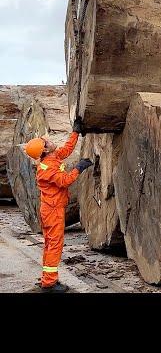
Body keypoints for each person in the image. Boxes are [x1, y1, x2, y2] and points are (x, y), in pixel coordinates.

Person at [23, 118, 93, 293]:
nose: (50, 141)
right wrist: (79, 167)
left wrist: (75, 132)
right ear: (44, 149)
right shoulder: (46, 170)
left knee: (50, 244)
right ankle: (49, 283)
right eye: (47, 142)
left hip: (52, 208)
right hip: (52, 211)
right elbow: (65, 181)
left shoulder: (52, 157)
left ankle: (47, 278)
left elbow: (66, 150)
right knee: (54, 244)